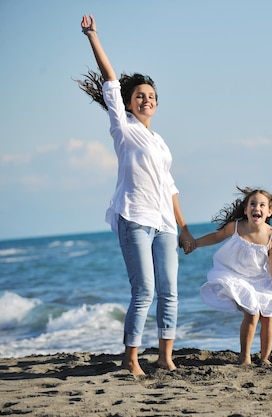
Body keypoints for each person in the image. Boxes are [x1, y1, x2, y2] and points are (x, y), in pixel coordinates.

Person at [77, 15, 195, 376]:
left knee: (170, 292)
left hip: (164, 224)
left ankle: (165, 356)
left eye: (151, 97)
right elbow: (110, 81)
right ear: (128, 103)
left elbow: (169, 185)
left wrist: (184, 228)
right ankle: (130, 359)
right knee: (144, 290)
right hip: (134, 218)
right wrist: (93, 36)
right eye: (140, 96)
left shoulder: (159, 142)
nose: (146, 100)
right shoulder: (123, 128)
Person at [192, 187, 272, 365]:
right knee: (252, 312)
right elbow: (216, 237)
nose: (256, 208)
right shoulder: (236, 227)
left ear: (269, 212)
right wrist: (196, 243)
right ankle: (245, 356)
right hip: (236, 277)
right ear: (245, 209)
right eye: (252, 204)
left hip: (261, 280)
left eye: (261, 205)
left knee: (269, 315)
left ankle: (265, 358)